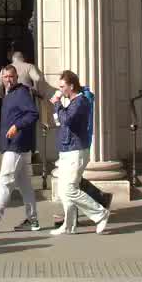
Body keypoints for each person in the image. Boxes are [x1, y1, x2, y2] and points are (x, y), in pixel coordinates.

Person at [0, 64, 40, 234]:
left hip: (17, 145)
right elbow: (13, 119)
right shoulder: (8, 95)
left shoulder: (21, 92)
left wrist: (17, 126)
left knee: (4, 181)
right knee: (24, 185)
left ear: (17, 77)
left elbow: (33, 113)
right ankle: (32, 220)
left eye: (11, 76)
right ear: (1, 79)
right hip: (13, 144)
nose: (8, 80)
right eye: (5, 77)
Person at [50, 70, 110, 236]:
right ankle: (69, 225)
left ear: (71, 86)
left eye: (62, 86)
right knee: (63, 190)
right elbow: (62, 121)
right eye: (59, 87)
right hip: (67, 149)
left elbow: (66, 120)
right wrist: (59, 107)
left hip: (76, 151)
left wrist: (56, 103)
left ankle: (100, 213)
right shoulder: (71, 101)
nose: (60, 89)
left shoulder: (80, 101)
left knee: (70, 189)